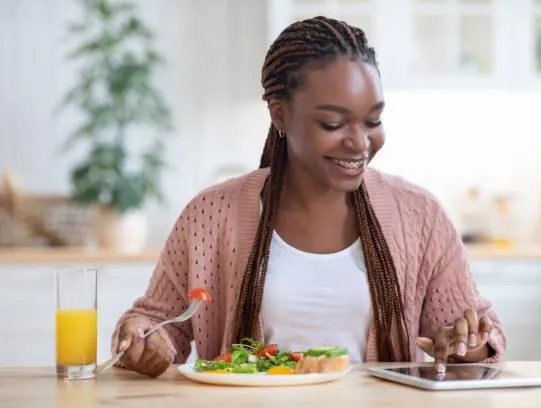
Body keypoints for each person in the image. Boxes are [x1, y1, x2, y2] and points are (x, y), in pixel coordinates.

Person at [111, 16, 506, 378]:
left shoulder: (420, 215)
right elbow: (157, 325)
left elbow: (473, 339)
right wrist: (145, 341)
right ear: (280, 115)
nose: (359, 142)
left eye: (373, 121)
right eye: (333, 123)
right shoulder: (211, 215)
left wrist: (466, 345)